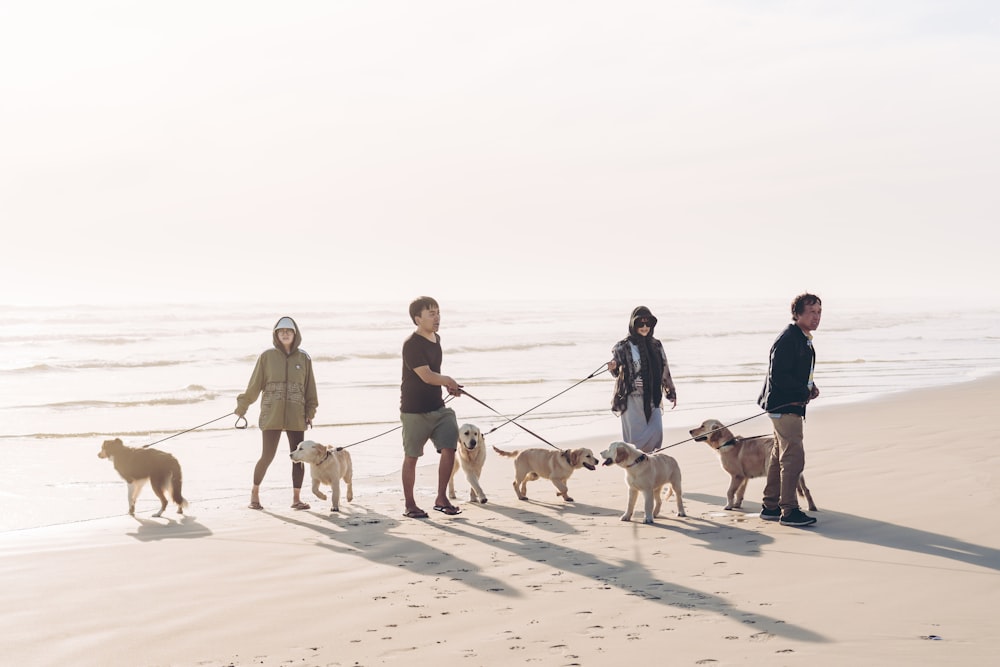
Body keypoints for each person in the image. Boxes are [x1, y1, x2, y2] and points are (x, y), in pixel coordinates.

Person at [235, 316, 318, 511]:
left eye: (289, 331)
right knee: (267, 456)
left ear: (295, 334)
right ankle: (254, 495)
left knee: (298, 458)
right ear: (276, 334)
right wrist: (242, 406)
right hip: (271, 414)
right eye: (281, 331)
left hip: (296, 415)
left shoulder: (304, 358)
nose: (285, 333)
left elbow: (310, 388)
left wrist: (310, 411)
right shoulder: (267, 357)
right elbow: (254, 385)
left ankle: (296, 499)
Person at [757, 293, 822, 527]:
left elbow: (796, 373)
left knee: (778, 455)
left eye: (819, 312)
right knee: (793, 457)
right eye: (811, 312)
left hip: (788, 404)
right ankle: (789, 510)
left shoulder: (801, 337)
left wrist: (810, 387)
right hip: (785, 407)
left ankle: (770, 506)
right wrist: (802, 392)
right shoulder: (788, 338)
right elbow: (778, 376)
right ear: (797, 313)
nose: (816, 317)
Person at [399, 296, 463, 518]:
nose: (437, 317)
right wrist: (448, 380)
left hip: (438, 407)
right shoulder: (411, 344)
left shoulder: (437, 338)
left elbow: (433, 374)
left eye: (438, 312)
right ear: (418, 319)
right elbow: (426, 375)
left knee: (449, 445)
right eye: (431, 314)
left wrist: (448, 386)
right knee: (412, 457)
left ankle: (441, 497)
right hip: (414, 410)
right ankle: (410, 505)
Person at [607, 306, 677, 453]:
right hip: (632, 396)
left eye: (648, 324)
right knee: (635, 439)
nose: (645, 327)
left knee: (656, 432)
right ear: (633, 325)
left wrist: (671, 392)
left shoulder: (656, 345)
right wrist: (613, 366)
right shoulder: (623, 346)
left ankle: (649, 462)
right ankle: (637, 466)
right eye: (640, 324)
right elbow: (616, 369)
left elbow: (664, 368)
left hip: (653, 395)